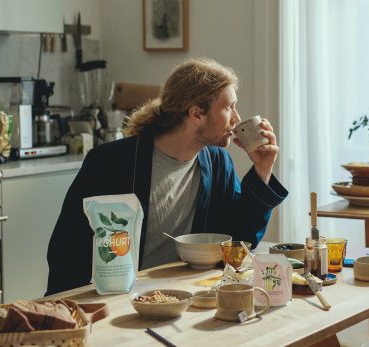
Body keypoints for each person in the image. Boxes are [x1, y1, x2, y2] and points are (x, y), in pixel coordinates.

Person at [46, 57, 288, 295]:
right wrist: (70, 308)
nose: (236, 118)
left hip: (188, 295)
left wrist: (262, 170)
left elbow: (239, 240)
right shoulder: (110, 162)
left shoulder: (216, 162)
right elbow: (67, 248)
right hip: (120, 299)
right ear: (196, 114)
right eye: (228, 107)